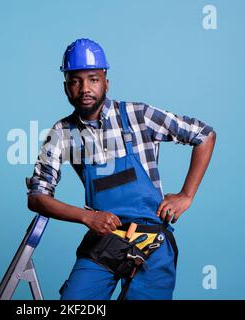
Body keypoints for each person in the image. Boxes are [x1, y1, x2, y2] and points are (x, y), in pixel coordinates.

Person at [26, 38, 216, 300]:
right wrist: (87, 217)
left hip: (152, 242)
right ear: (66, 87)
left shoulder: (139, 116)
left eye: (93, 79)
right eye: (75, 81)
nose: (85, 88)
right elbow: (37, 198)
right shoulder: (61, 133)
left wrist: (187, 195)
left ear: (106, 81)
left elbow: (204, 135)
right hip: (103, 238)